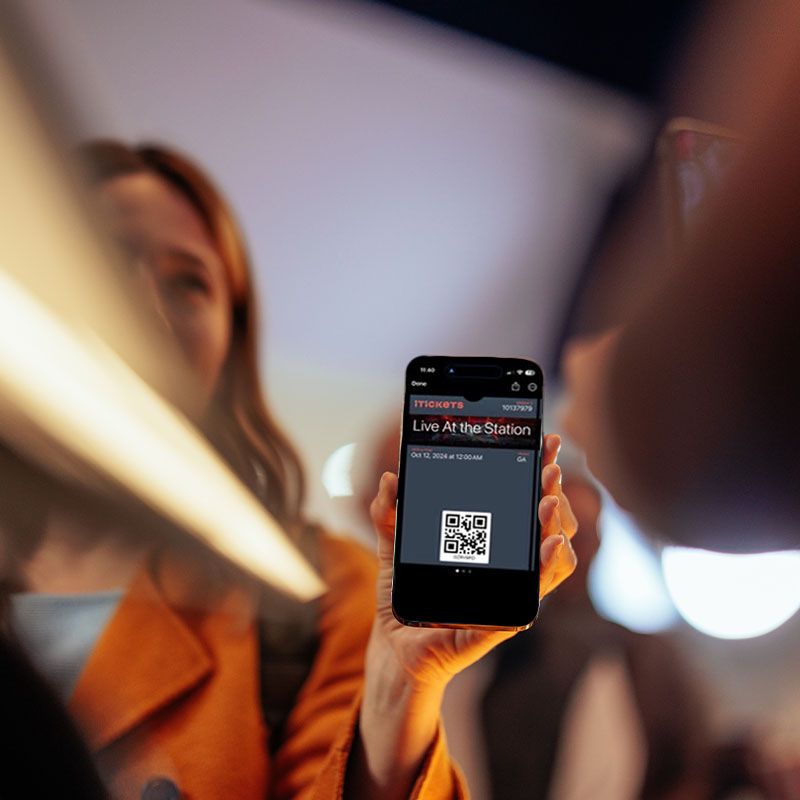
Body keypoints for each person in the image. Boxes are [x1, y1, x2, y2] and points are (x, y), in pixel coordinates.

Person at [1, 140, 578, 799]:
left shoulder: (320, 594)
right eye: (106, 256)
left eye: (188, 283)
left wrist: (402, 690)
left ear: (230, 345)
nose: (147, 308)